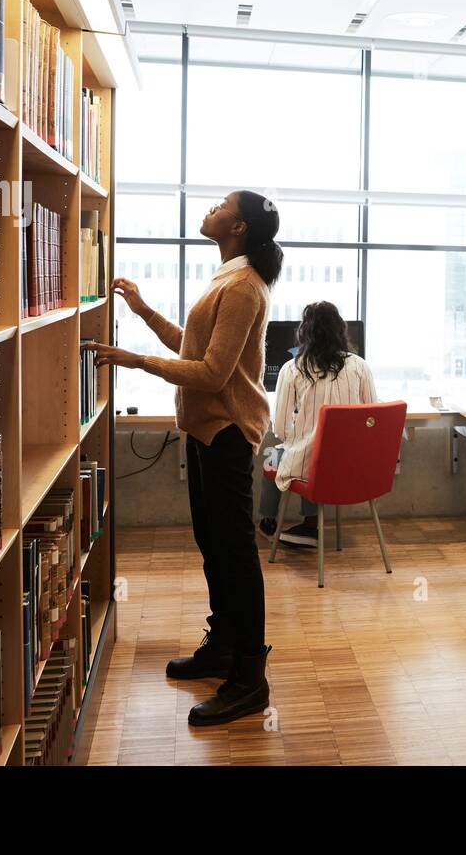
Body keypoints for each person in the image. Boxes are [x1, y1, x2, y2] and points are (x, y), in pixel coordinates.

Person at [88, 190, 280, 727]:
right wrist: (145, 312)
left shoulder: (242, 286)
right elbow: (197, 354)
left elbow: (214, 376)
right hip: (205, 430)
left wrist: (136, 361)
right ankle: (222, 647)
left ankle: (249, 680)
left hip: (227, 431)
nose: (210, 208)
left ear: (237, 226)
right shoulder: (228, 277)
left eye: (221, 204)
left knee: (235, 553)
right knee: (213, 544)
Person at [260, 301, 377, 547]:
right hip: (354, 466)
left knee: (275, 455)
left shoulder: (292, 369)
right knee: (318, 450)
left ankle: (268, 521)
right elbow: (372, 417)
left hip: (312, 468)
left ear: (304, 332)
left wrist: (301, 424)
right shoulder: (360, 366)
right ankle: (311, 525)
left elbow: (280, 429)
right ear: (340, 331)